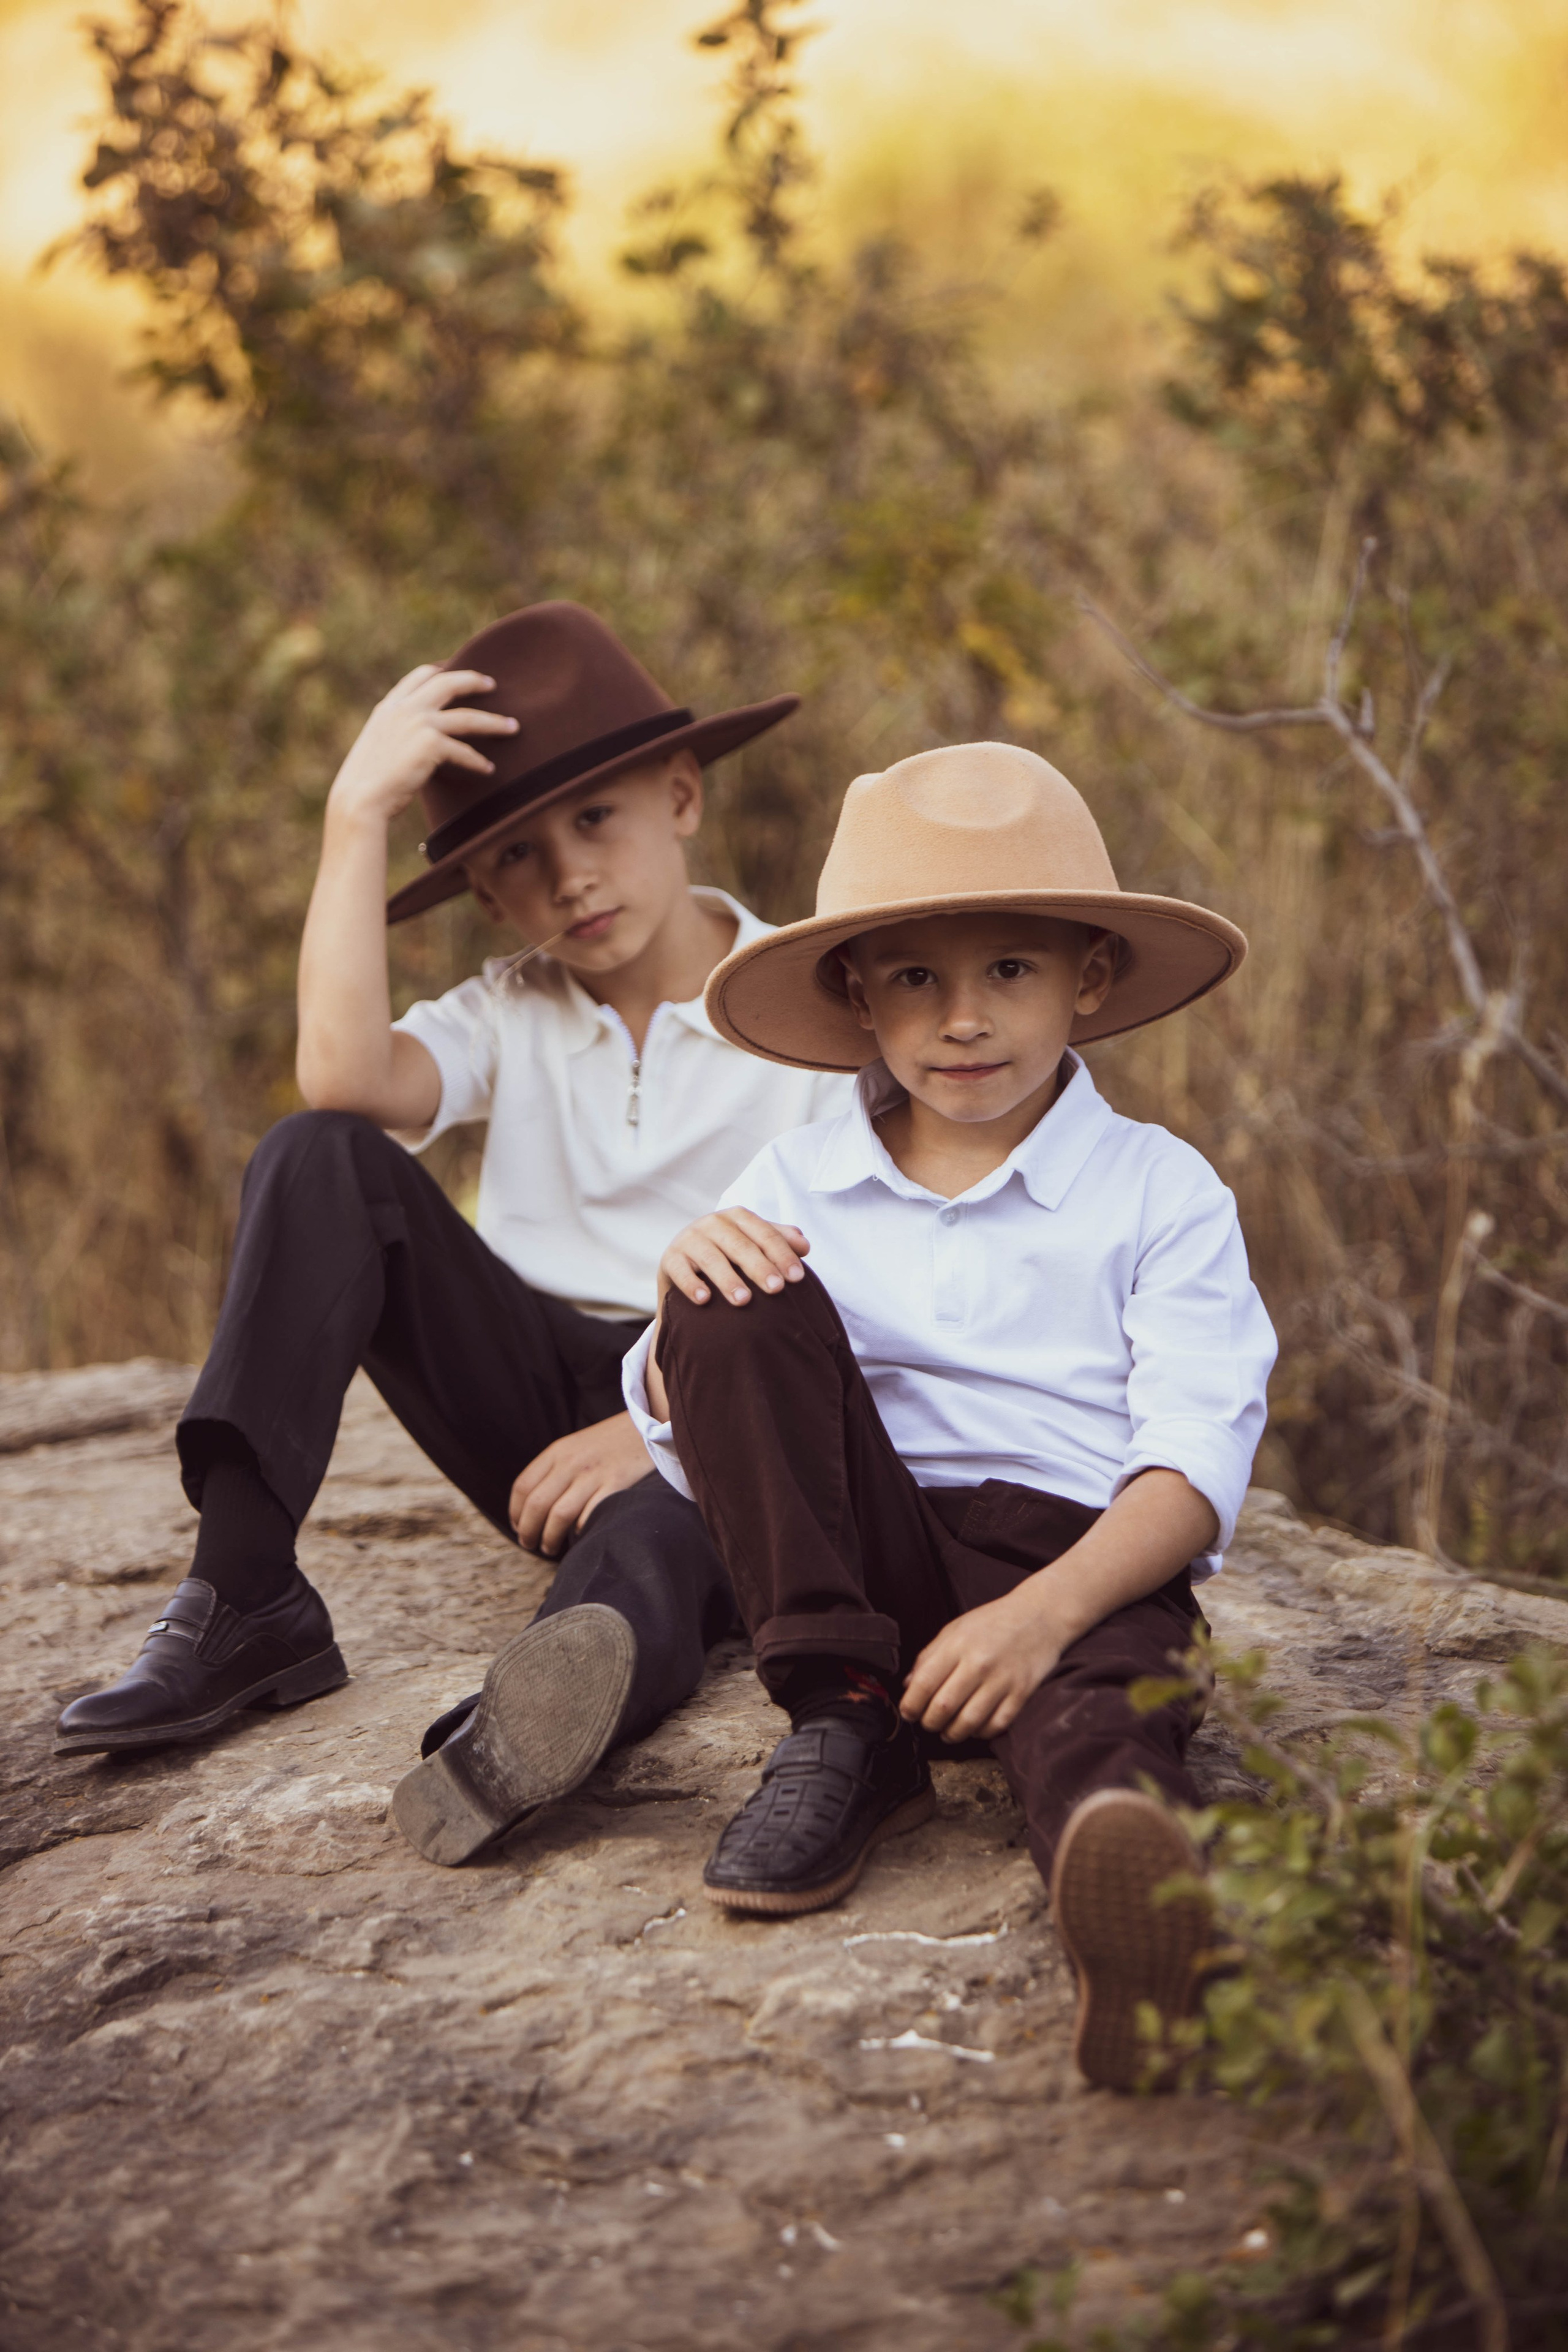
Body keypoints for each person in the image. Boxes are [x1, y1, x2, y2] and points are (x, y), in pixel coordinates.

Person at [55, 601, 850, 1870]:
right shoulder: (509, 1010)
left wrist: (659, 1427)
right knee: (315, 1154)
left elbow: (862, 1277)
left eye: (596, 821)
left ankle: (525, 1730)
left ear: (683, 797)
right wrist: (353, 818)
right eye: (518, 858)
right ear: (483, 891)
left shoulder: (805, 1010)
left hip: (725, 1402)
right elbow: (341, 1077)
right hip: (532, 1395)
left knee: (657, 1532)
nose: (568, 876)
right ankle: (246, 1595)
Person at [624, 741, 1277, 2089]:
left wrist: (1038, 1617)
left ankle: (1144, 1923)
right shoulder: (799, 1173)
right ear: (857, 995)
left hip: (1074, 1566)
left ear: (1088, 980)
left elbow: (1189, 1465)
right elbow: (688, 1426)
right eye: (914, 975)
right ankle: (841, 1723)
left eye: (1008, 971)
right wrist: (682, 1298)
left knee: (1097, 1715)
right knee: (726, 1286)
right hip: (867, 1562)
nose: (960, 1018)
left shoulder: (1159, 1190)